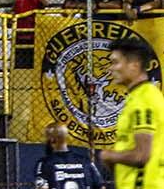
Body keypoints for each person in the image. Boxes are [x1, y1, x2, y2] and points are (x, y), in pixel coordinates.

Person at [99, 37, 164, 187]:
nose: (111, 68)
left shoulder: (144, 100)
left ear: (134, 65)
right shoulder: (138, 97)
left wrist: (109, 156)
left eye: (115, 62)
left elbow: (141, 155)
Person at [35, 122, 104, 189]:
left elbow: (42, 187)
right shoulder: (86, 161)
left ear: (52, 139)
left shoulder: (44, 163)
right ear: (66, 137)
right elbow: (101, 186)